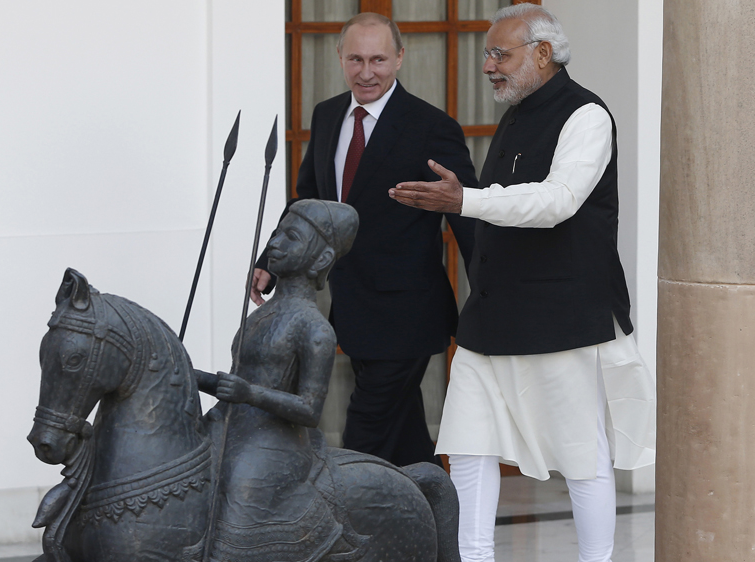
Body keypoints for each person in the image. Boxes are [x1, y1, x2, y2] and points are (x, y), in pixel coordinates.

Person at [389, 4, 656, 562]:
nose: (488, 65)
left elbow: (557, 202)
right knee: (467, 447)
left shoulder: (587, 116)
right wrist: (469, 197)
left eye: (499, 53)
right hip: (491, 314)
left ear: (542, 53)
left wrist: (466, 198)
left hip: (560, 317)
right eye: (487, 53)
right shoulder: (518, 108)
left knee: (582, 456)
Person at [252, 13, 478, 468]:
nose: (367, 71)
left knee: (365, 431)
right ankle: (431, 511)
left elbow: (466, 215)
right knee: (405, 434)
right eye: (355, 58)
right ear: (340, 57)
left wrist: (491, 295)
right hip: (353, 307)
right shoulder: (328, 114)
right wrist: (270, 262)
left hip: (408, 313)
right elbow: (308, 199)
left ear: (399, 57)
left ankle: (341, 526)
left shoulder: (431, 126)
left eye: (378, 58)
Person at [210, 200, 366, 562]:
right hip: (230, 427)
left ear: (321, 259)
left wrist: (249, 393)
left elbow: (310, 409)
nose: (275, 243)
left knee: (234, 510)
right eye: (277, 233)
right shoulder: (261, 315)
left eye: (290, 237)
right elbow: (234, 382)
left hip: (275, 444)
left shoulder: (314, 328)